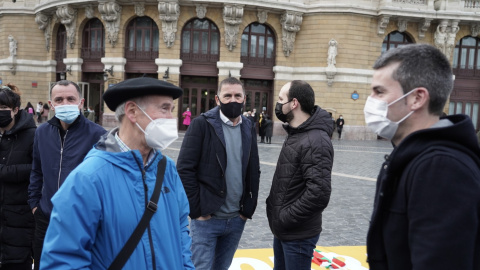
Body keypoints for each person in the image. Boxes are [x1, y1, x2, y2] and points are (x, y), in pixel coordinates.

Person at [39, 77, 194, 269]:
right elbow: (63, 259)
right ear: (132, 112)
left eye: (171, 109)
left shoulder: (167, 168)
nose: (172, 118)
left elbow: (181, 230)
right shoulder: (87, 178)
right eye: (164, 108)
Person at [365, 44, 480, 269]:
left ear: (417, 98)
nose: (371, 100)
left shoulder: (441, 168)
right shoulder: (413, 156)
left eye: (379, 92)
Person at [177, 77, 260, 269]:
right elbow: (184, 169)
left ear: (244, 98)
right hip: (207, 218)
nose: (233, 100)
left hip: (236, 219)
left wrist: (248, 209)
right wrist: (197, 211)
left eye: (237, 95)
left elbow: (253, 169)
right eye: (227, 95)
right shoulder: (201, 124)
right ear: (217, 99)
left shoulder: (248, 126)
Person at [28, 80, 106, 270]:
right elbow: (36, 170)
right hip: (46, 216)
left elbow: (105, 179)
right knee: (42, 265)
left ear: (81, 102)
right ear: (51, 104)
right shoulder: (42, 132)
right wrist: (34, 204)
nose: (65, 103)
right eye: (59, 99)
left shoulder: (98, 135)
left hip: (82, 219)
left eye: (71, 99)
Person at [266, 80, 333, 270]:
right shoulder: (298, 133)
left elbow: (319, 194)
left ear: (294, 103)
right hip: (285, 230)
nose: (278, 105)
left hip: (297, 234)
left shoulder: (315, 140)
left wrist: (285, 217)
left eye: (281, 99)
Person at [0, 84, 36, 270]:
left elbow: (38, 169)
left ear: (15, 110)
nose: (0, 112)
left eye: (3, 109)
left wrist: (5, 171)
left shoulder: (33, 135)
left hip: (20, 221)